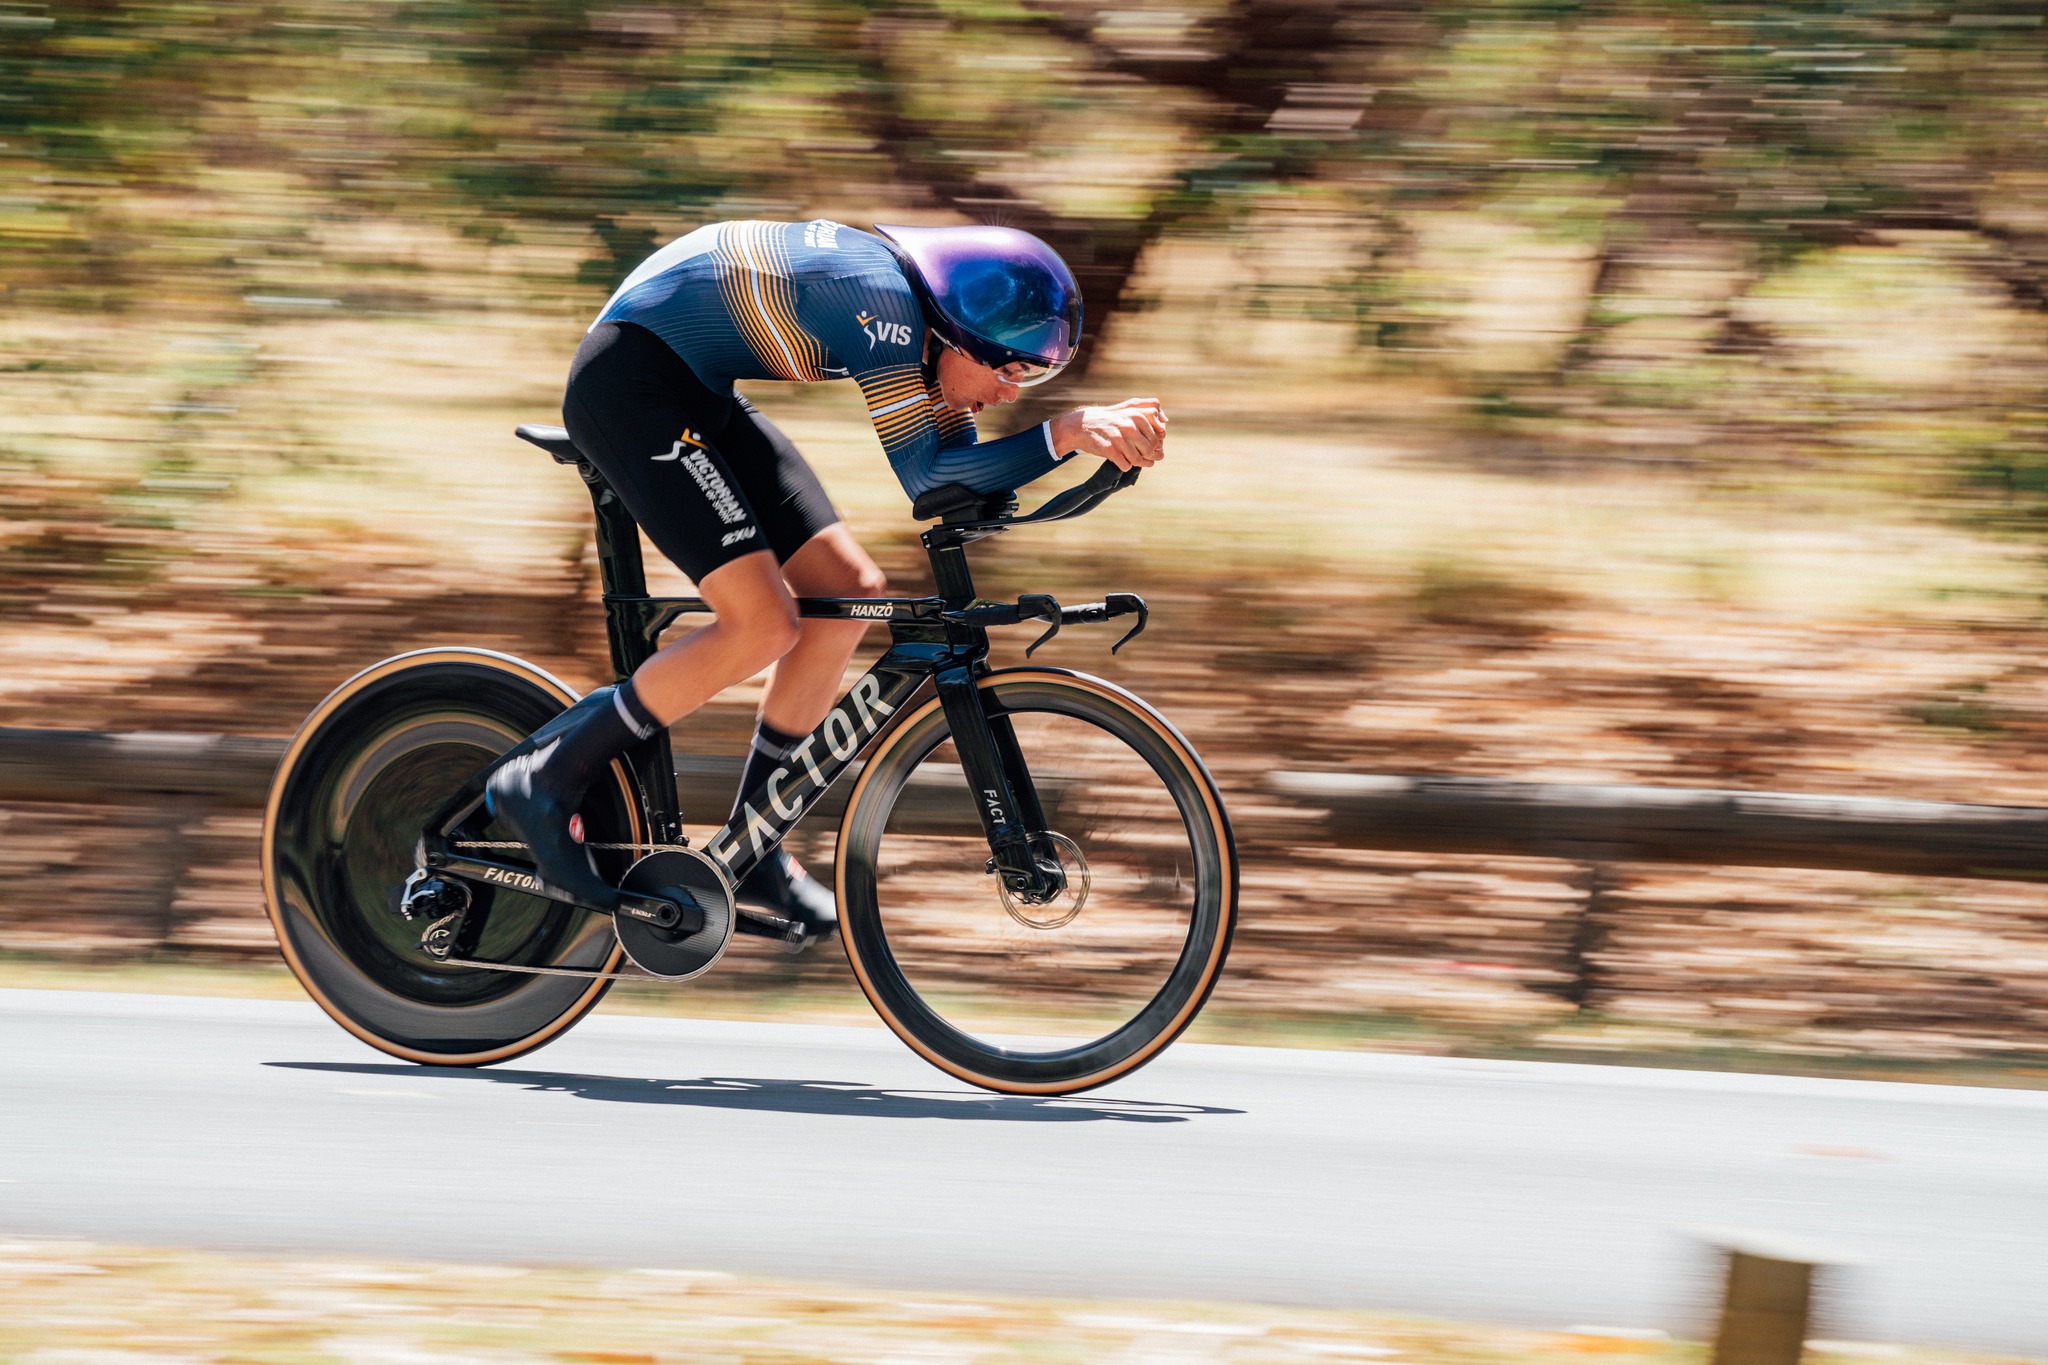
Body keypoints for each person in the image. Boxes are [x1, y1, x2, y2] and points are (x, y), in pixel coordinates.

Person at [485, 219, 1168, 943]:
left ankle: (753, 845)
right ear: (955, 336)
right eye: (1007, 370)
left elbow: (958, 490)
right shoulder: (880, 307)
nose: (1009, 392)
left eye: (1028, 378)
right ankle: (546, 774)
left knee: (847, 589)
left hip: (693, 388)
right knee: (762, 622)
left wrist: (1081, 461)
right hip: (630, 385)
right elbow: (930, 478)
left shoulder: (922, 325)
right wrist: (1063, 435)